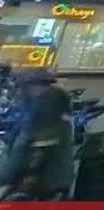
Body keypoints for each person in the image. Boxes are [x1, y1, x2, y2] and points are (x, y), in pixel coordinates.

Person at [0, 72, 75, 200]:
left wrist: (31, 174)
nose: (20, 91)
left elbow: (42, 147)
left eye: (23, 87)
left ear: (35, 86)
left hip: (44, 180)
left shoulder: (46, 106)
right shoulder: (46, 103)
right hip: (53, 176)